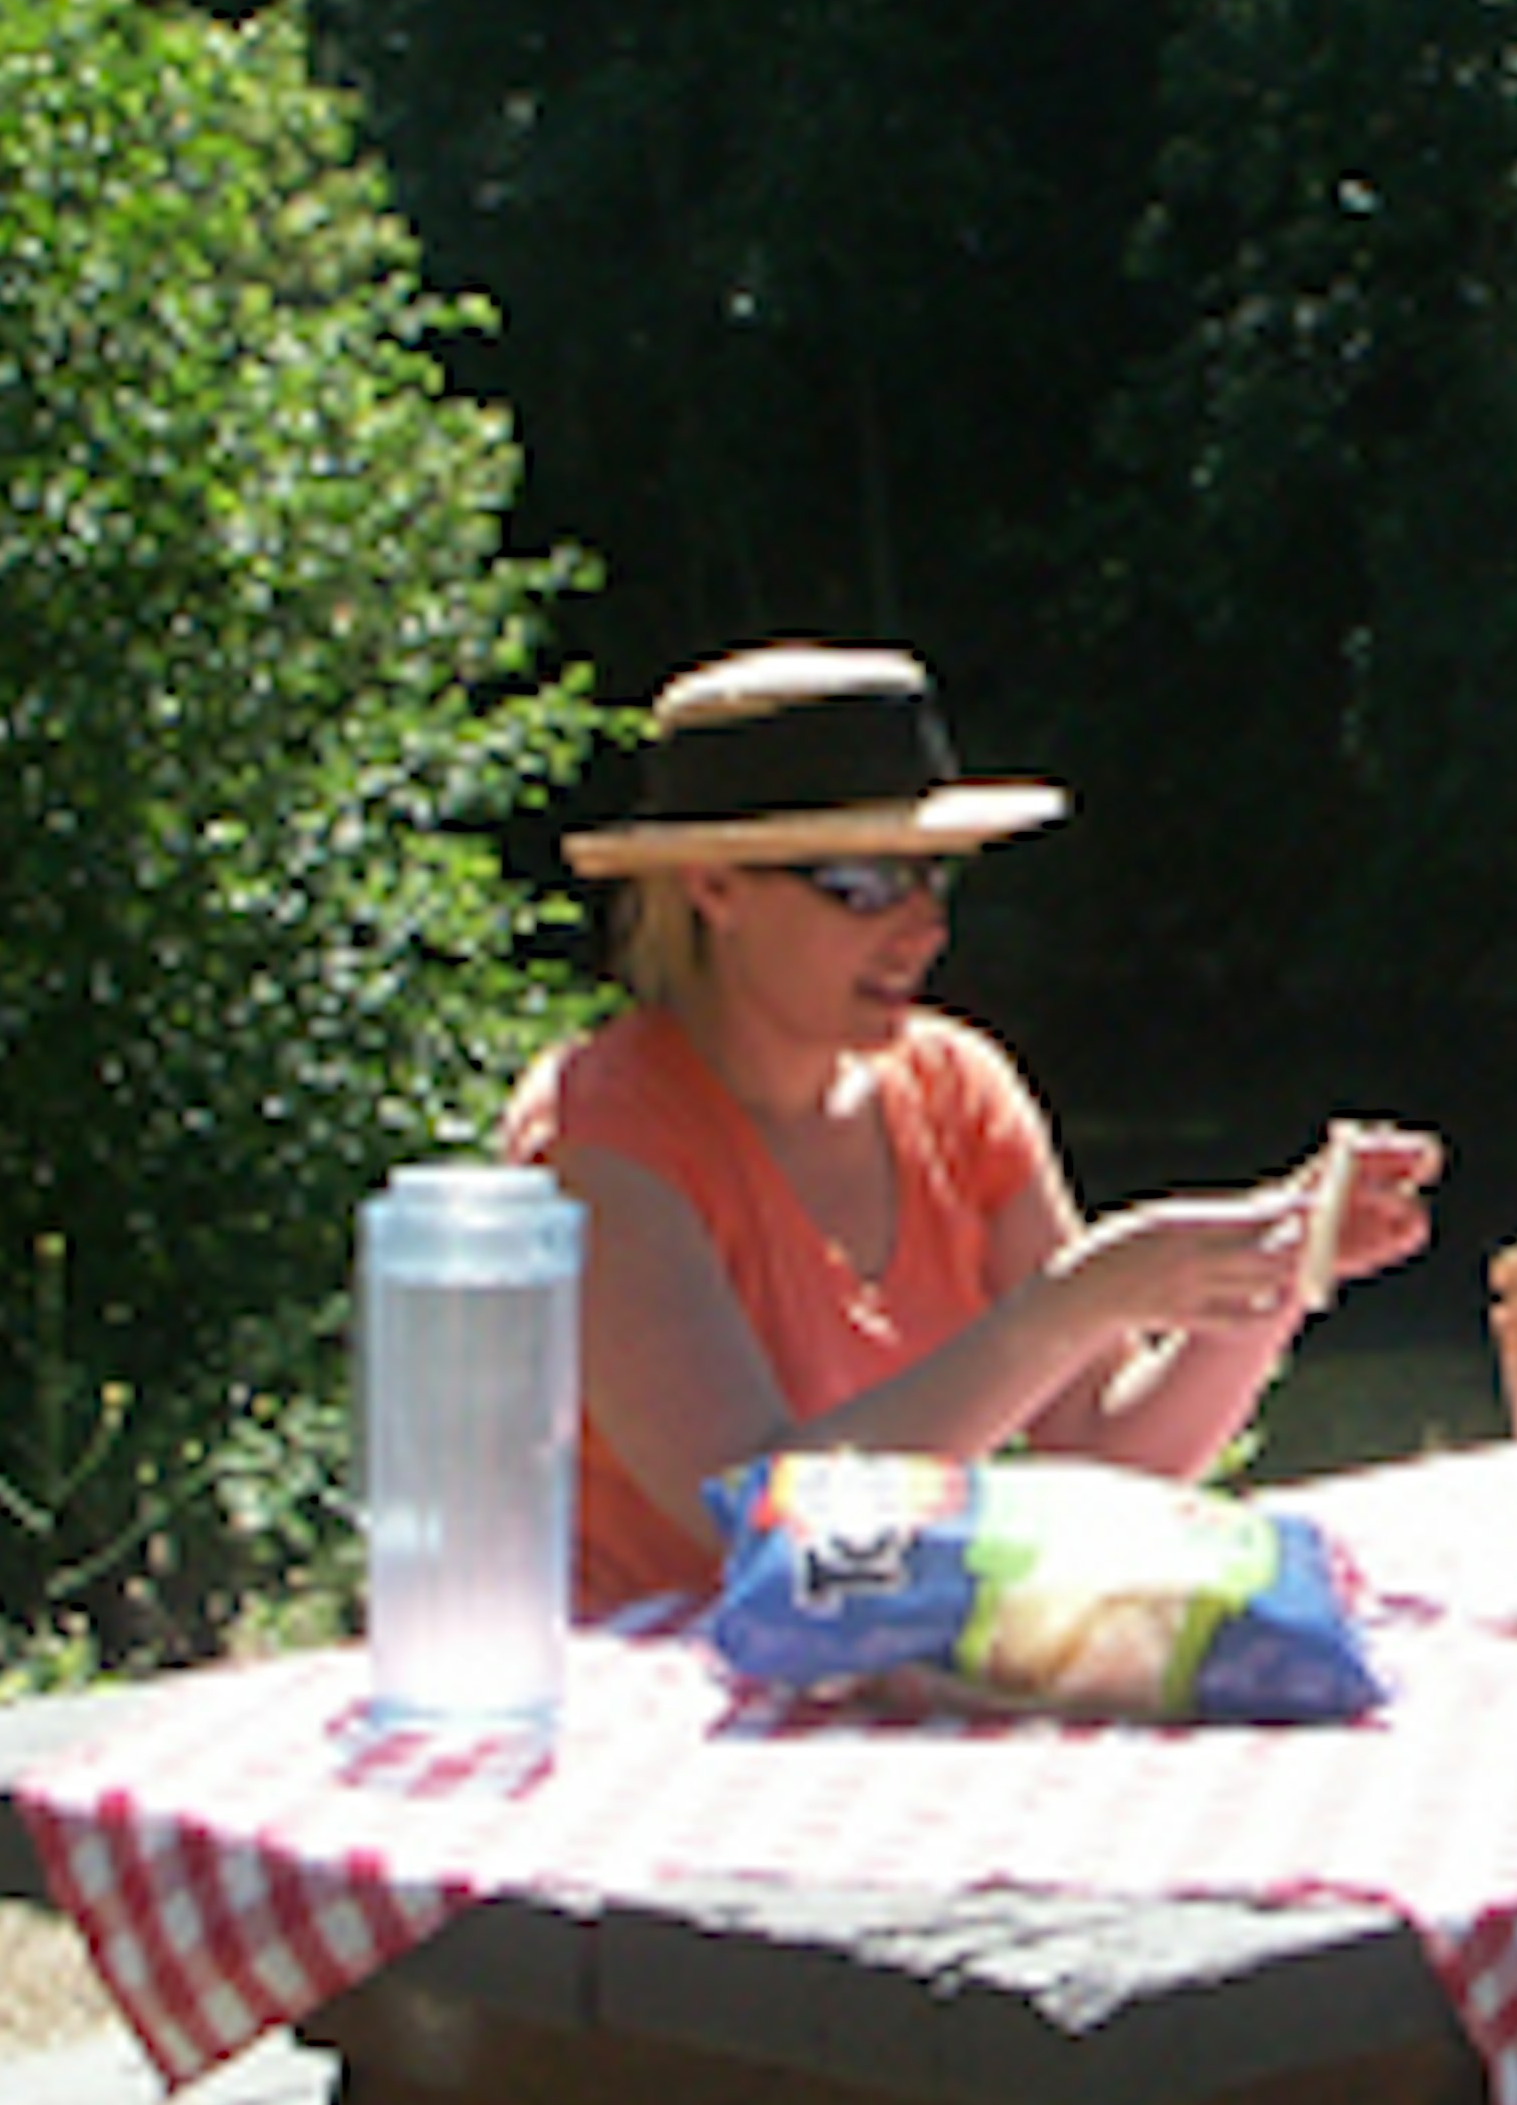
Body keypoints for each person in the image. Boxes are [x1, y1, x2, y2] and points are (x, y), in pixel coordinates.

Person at [505, 637, 1441, 1619]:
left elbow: (1120, 1453)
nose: (923, 929)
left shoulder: (957, 1086)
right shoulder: (600, 1135)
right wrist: (1066, 1306)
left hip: (902, 1685)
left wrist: (1275, 1263)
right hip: (661, 1711)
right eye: (863, 883)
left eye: (933, 876)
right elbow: (754, 1518)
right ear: (714, 886)